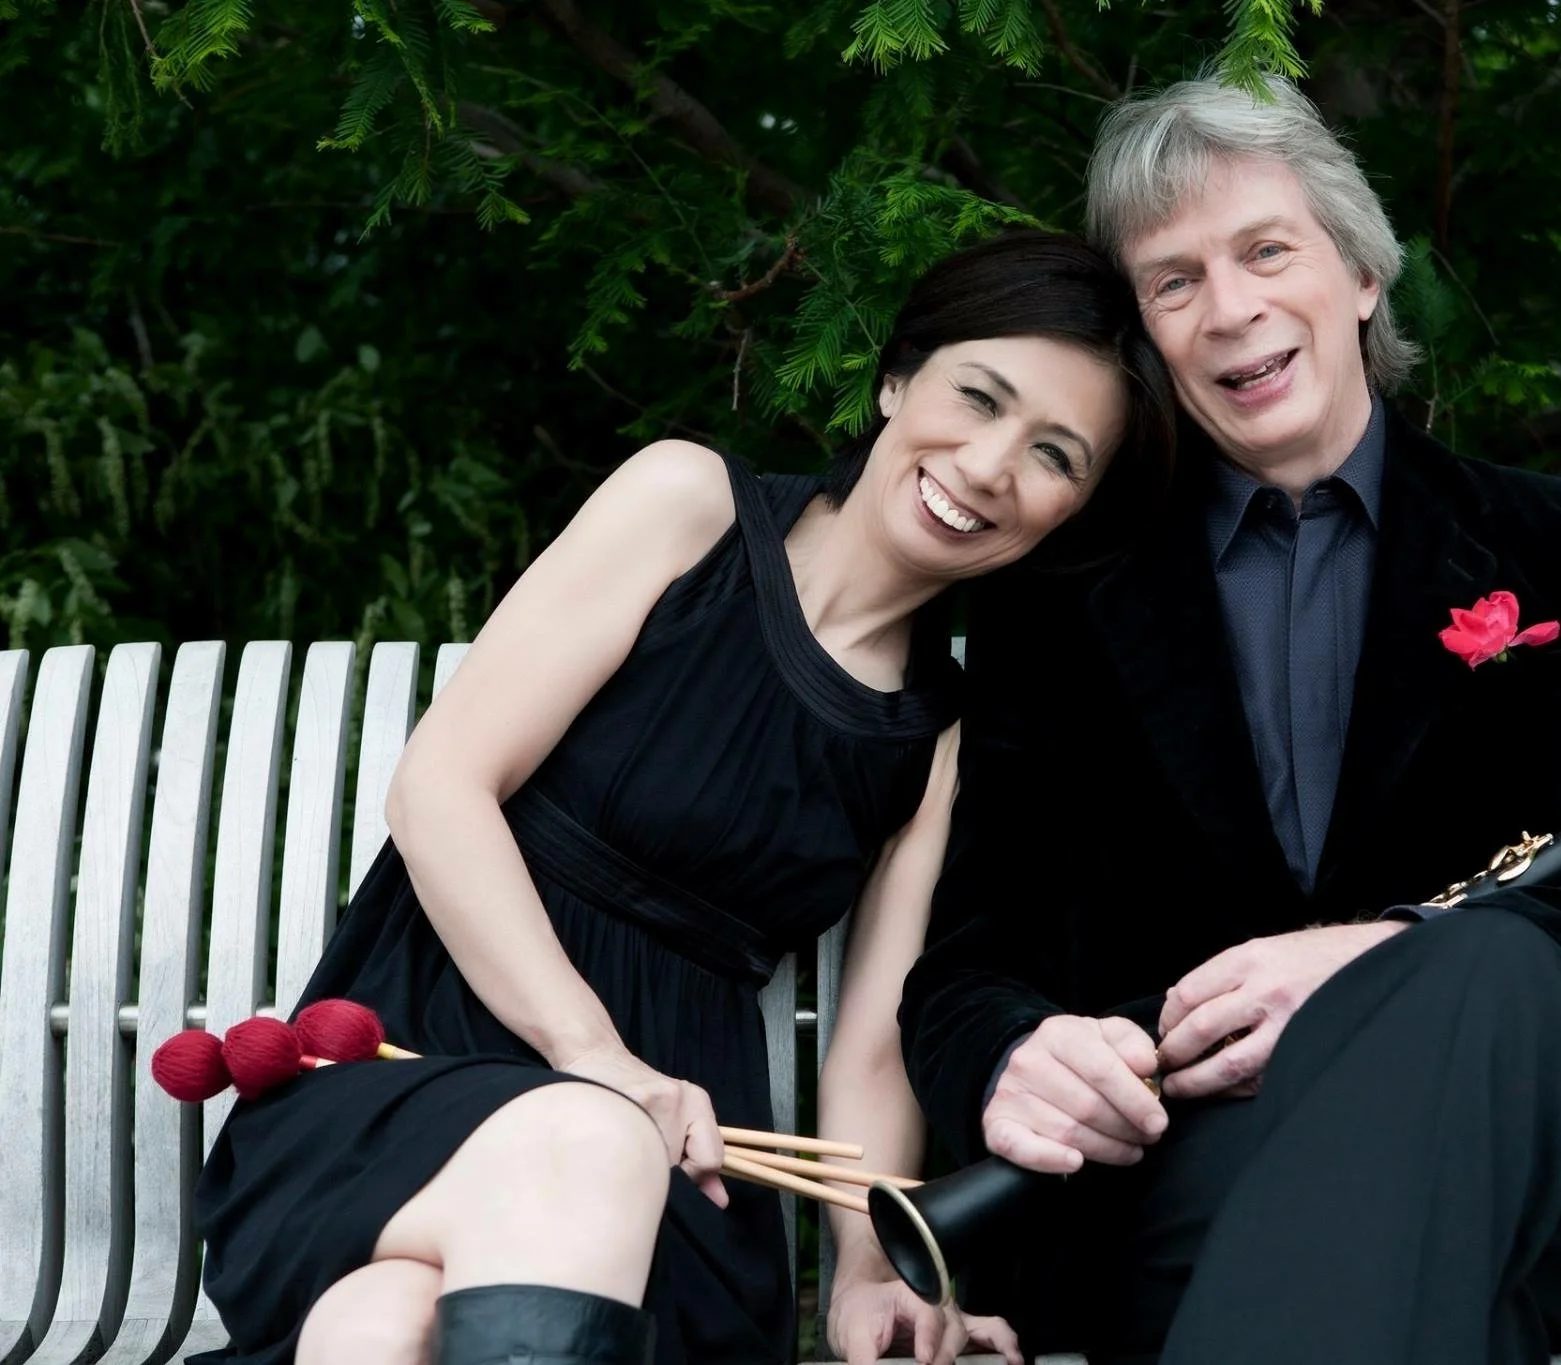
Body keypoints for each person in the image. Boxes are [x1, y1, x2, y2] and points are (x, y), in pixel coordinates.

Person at [190, 230, 1175, 1365]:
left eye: (1054, 453)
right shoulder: (685, 504)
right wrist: (591, 1057)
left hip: (683, 1163)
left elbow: (869, 1045)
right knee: (581, 1147)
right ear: (897, 377)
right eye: (977, 396)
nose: (991, 464)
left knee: (381, 1323)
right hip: (402, 1072)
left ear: (1073, 511)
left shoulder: (938, 735)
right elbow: (441, 790)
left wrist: (867, 1270)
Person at [898, 75, 1561, 1365]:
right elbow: (967, 968)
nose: (1229, 308)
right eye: (1172, 280)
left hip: (1549, 1154)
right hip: (1198, 1171)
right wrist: (1014, 1056)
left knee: (1483, 963)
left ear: (1360, 274)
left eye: (1264, 250)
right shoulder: (1064, 593)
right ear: (1145, 335)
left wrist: (1390, 959)